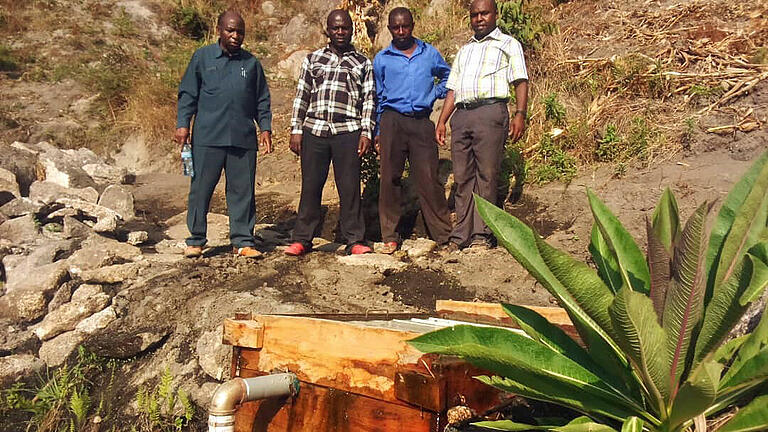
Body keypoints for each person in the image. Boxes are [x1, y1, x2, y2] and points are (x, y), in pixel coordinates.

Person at [175, 10, 272, 259]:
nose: (235, 35)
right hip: (208, 137)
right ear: (219, 29)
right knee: (201, 189)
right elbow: (188, 93)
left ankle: (242, 240)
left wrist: (265, 128)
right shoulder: (202, 58)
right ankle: (196, 239)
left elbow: (262, 99)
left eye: (240, 31)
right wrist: (182, 124)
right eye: (230, 30)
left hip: (242, 138)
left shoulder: (251, 64)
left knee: (243, 191)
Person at [435, 0, 529, 251]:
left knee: (487, 175)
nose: (479, 18)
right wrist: (442, 120)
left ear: (495, 14)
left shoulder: (508, 44)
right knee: (463, 177)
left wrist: (520, 113)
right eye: (474, 14)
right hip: (462, 115)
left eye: (484, 13)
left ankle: (483, 234)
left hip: (490, 112)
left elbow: (520, 80)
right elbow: (453, 89)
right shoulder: (465, 50)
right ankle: (461, 235)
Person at [285, 9, 375, 256]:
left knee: (349, 187)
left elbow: (368, 101)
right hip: (315, 130)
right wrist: (296, 129)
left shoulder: (362, 63)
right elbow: (302, 95)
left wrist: (366, 132)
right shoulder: (313, 59)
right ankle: (302, 238)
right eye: (335, 28)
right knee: (311, 185)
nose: (340, 32)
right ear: (328, 30)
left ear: (351, 30)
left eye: (345, 28)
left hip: (348, 131)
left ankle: (355, 240)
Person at [373, 7, 452, 254]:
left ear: (412, 25)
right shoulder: (382, 59)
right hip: (392, 121)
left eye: (405, 26)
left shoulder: (429, 53)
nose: (401, 32)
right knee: (390, 179)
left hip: (421, 121)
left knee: (429, 178)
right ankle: (390, 236)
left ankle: (443, 235)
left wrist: (434, 94)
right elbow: (377, 96)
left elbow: (449, 77)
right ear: (389, 29)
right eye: (395, 28)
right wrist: (377, 130)